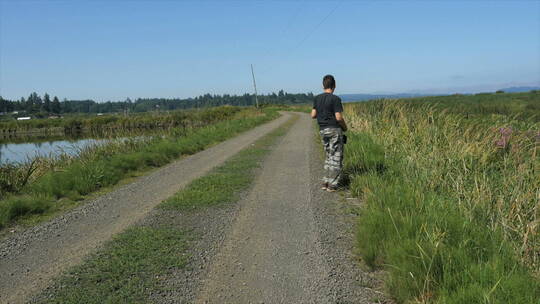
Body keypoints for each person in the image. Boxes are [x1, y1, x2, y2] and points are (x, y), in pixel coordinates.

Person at [311, 74, 347, 192]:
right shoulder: (335, 99)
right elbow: (338, 117)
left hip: (322, 130)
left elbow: (313, 115)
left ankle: (325, 182)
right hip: (334, 130)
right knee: (336, 157)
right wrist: (345, 127)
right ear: (334, 85)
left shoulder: (317, 98)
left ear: (323, 85)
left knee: (328, 156)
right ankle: (332, 185)